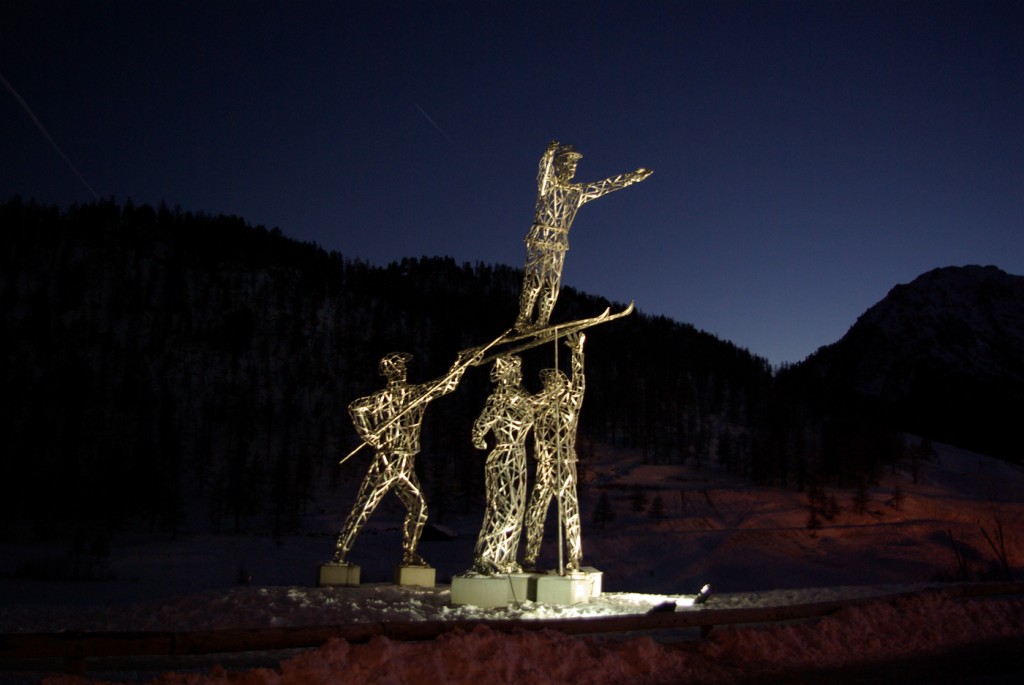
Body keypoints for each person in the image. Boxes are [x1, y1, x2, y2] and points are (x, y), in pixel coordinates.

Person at [332, 349, 479, 567]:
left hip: (406, 462)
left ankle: (409, 554)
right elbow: (356, 408)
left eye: (403, 366)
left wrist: (461, 363)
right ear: (388, 372)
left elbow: (447, 384)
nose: (402, 369)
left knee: (419, 508)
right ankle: (340, 554)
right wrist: (370, 434)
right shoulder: (380, 398)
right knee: (364, 508)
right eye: (397, 366)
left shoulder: (415, 394)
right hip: (387, 460)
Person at [516, 141, 652, 331]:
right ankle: (524, 319)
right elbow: (543, 172)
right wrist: (548, 154)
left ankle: (542, 322)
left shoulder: (577, 192)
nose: (573, 168)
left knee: (552, 285)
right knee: (534, 281)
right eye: (569, 164)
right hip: (540, 237)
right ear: (559, 165)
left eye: (575, 165)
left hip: (559, 242)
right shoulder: (548, 186)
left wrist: (632, 178)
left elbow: (605, 186)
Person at [523, 332, 586, 571]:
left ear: (562, 384)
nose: (547, 385)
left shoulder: (570, 403)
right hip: (543, 465)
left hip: (564, 464)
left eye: (552, 381)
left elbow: (579, 383)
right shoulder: (538, 405)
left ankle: (574, 558)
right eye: (545, 382)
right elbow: (524, 407)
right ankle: (530, 556)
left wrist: (577, 354)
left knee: (569, 513)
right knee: (535, 512)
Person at [468, 355, 534, 574]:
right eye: (513, 370)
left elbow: (534, 407)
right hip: (503, 454)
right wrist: (481, 438)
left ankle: (506, 557)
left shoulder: (522, 398)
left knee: (516, 510)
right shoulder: (497, 399)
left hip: (519, 455)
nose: (518, 375)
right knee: (500, 508)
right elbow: (479, 428)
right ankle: (485, 556)